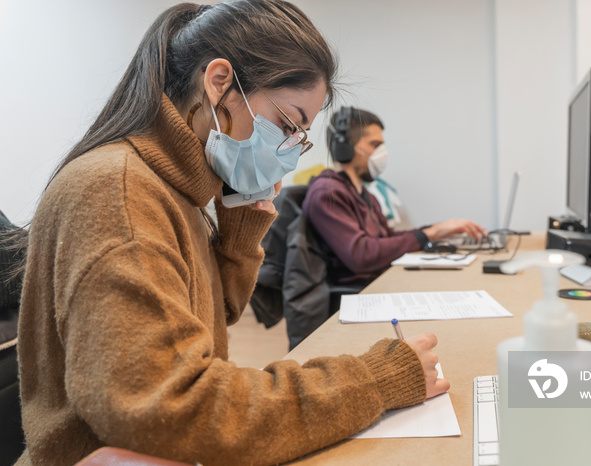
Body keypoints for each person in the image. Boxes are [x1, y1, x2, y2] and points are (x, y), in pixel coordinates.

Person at [9, 2, 448, 465]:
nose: (289, 154)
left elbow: (204, 322)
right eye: (287, 125)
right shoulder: (118, 192)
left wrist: (239, 229)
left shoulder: (173, 187)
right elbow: (173, 407)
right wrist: (374, 381)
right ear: (220, 84)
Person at [302, 107, 488, 286]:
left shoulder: (364, 194)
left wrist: (437, 230)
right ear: (345, 148)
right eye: (375, 145)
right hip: (358, 295)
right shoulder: (328, 194)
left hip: (380, 281)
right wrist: (430, 234)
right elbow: (361, 255)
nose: (382, 153)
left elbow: (387, 239)